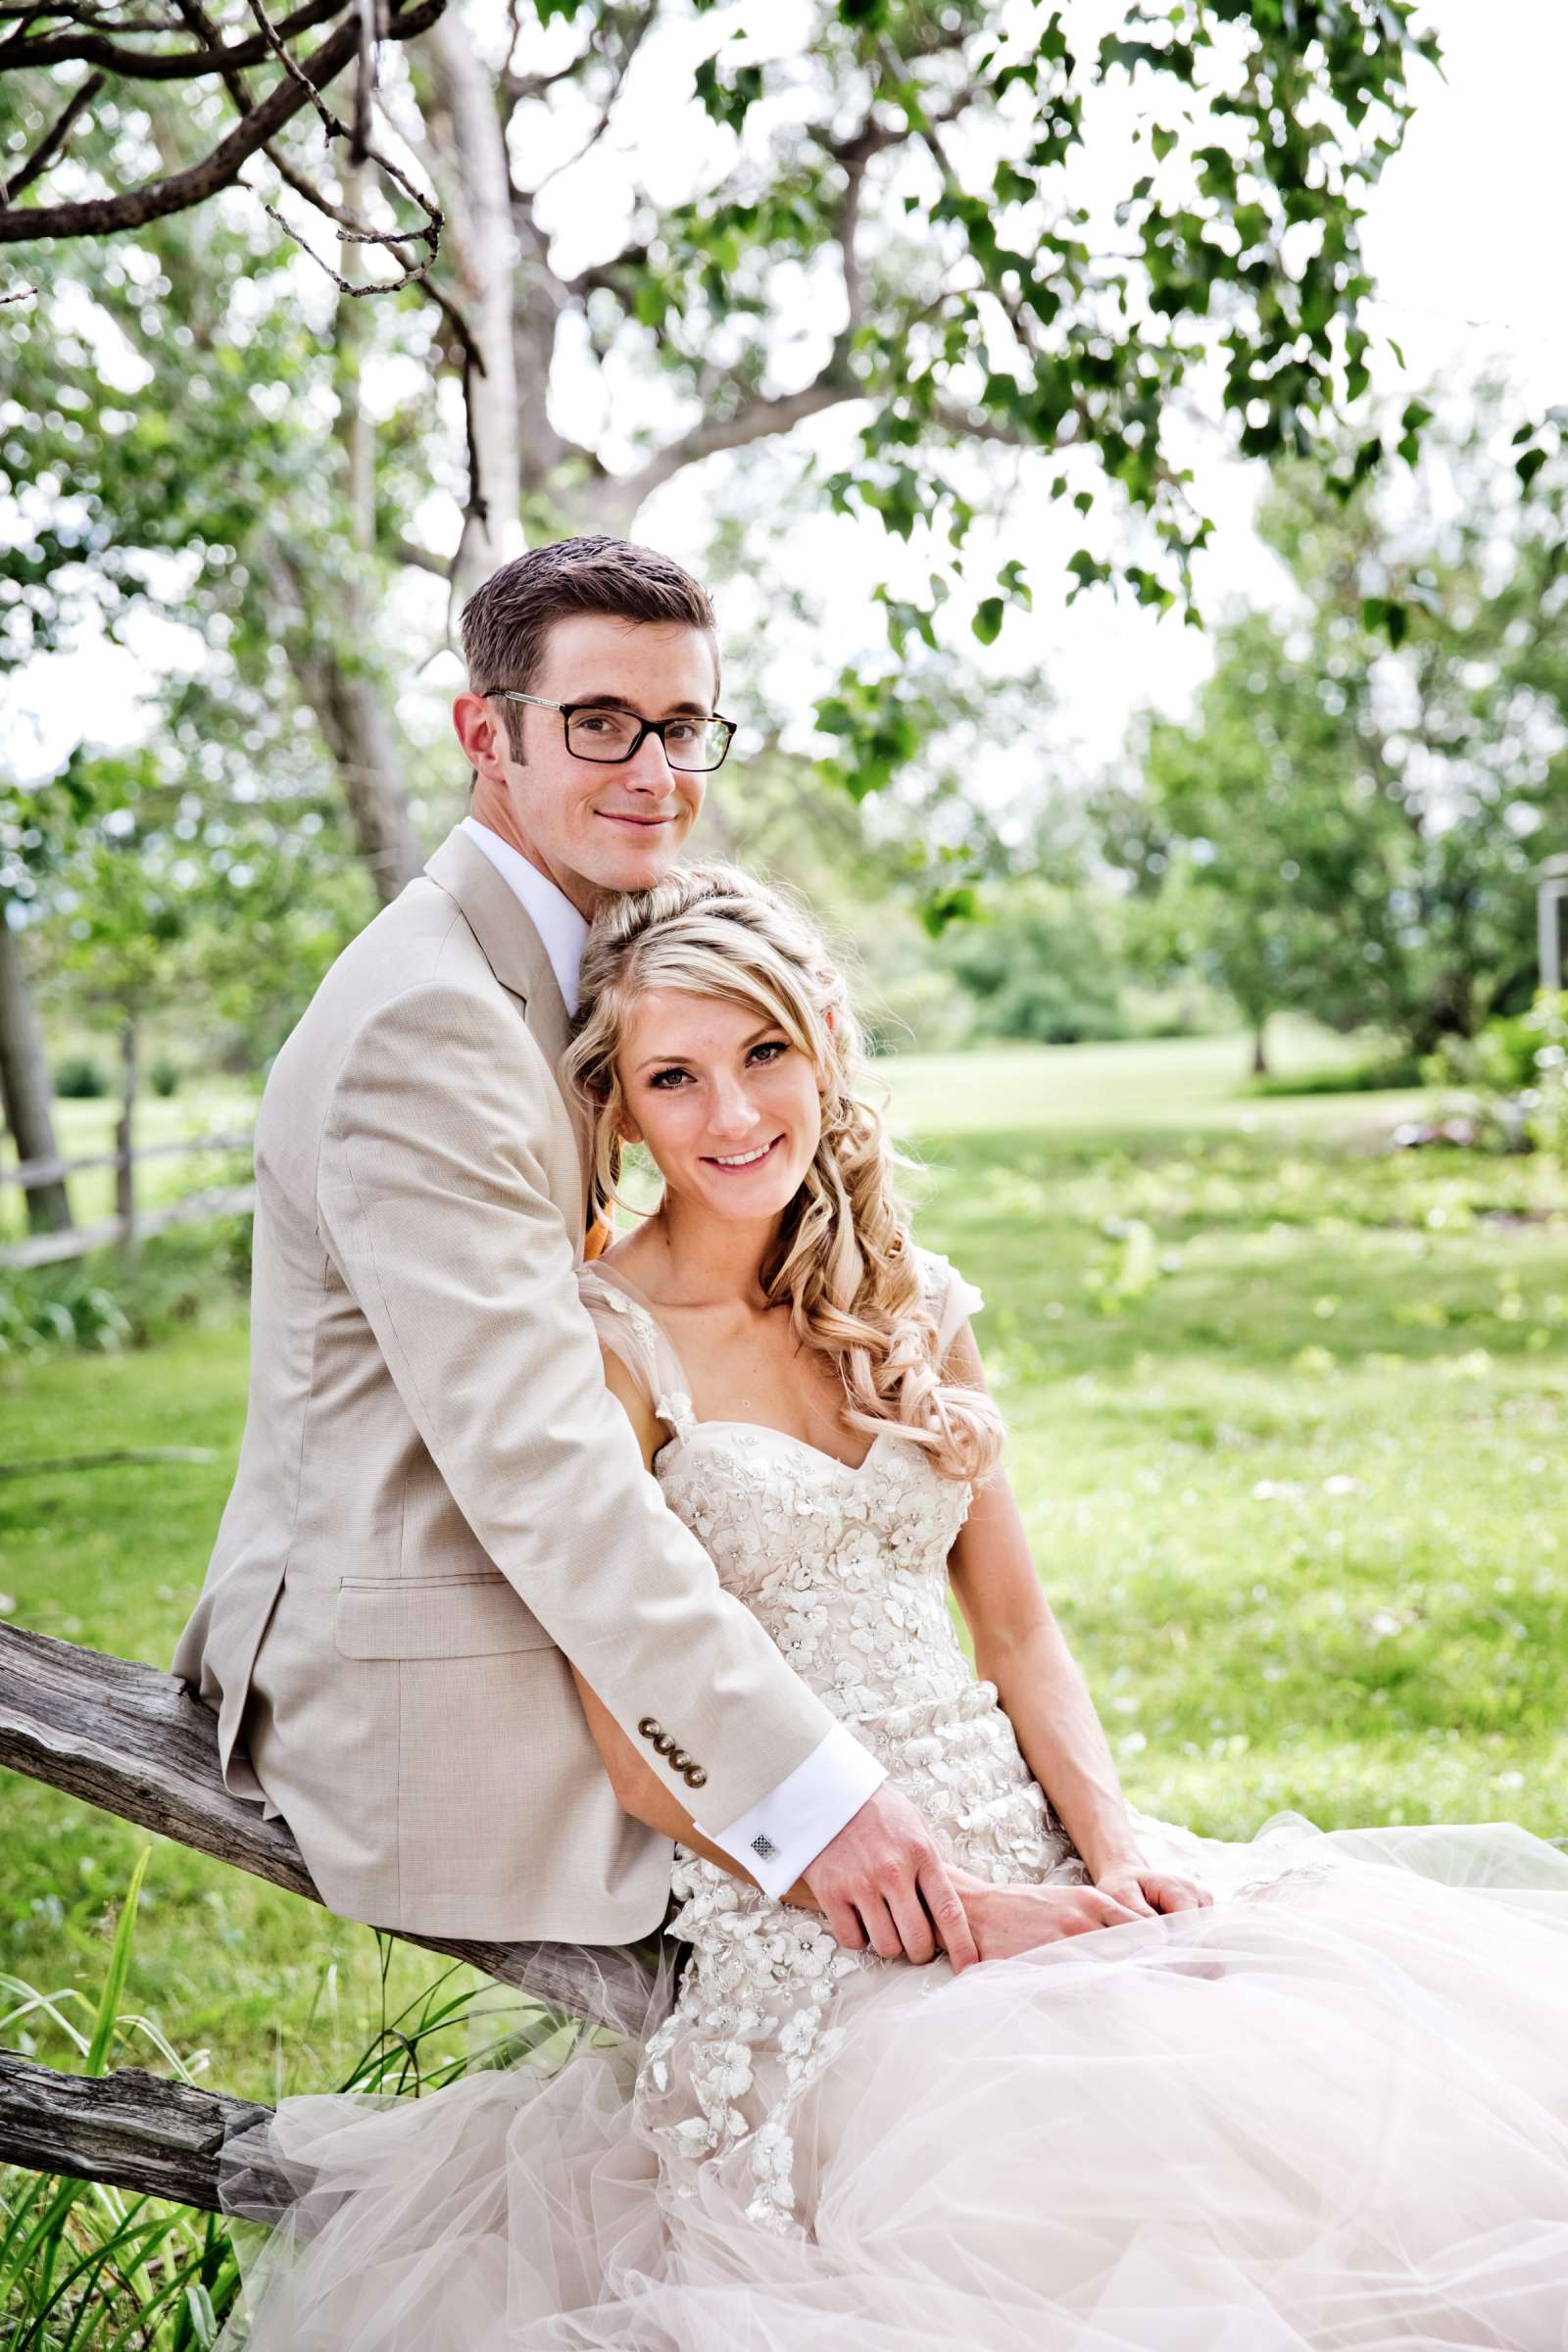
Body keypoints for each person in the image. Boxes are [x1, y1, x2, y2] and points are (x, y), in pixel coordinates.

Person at [217, 863, 1568, 2352]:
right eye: (675, 1077)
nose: (732, 1118)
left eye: (764, 1056)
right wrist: (970, 1923)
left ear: (824, 1045)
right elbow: (635, 1749)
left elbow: (1020, 1636)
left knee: (1334, 2103)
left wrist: (1119, 1858)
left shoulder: (913, 1302)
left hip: (1037, 1831)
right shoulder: (601, 1335)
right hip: (824, 1909)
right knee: (1054, 2188)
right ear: (618, 1102)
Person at [172, 535, 976, 1984]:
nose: (653, 772)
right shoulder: (432, 1027)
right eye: (599, 724)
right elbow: (544, 1471)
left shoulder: (560, 963)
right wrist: (815, 1807)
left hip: (576, 1609)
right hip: (426, 1690)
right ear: (488, 734)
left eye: (684, 728)